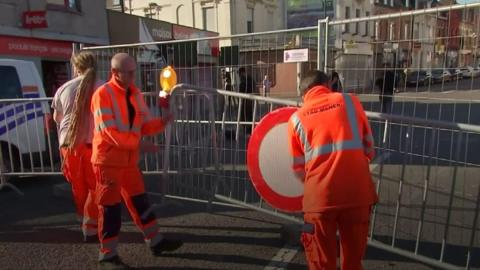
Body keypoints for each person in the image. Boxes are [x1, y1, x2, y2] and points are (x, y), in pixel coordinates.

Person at [91, 53, 182, 269]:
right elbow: (109, 133)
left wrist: (162, 122)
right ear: (114, 73)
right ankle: (108, 255)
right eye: (129, 72)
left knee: (140, 202)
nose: (134, 76)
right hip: (108, 162)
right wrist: (139, 145)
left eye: (135, 71)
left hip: (129, 161)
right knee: (110, 209)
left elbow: (143, 126)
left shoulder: (135, 93)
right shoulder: (102, 94)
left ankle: (155, 241)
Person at [287, 70, 378, 270]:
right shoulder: (350, 101)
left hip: (320, 200)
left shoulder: (296, 119)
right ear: (328, 85)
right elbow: (369, 150)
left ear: (303, 95)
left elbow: (299, 169)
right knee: (353, 263)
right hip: (357, 195)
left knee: (321, 264)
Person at [52, 51, 99, 242]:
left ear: (75, 68)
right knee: (96, 185)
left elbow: (57, 118)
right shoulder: (103, 87)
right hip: (92, 143)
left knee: (78, 186)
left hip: (69, 143)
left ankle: (83, 219)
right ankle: (92, 223)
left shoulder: (63, 88)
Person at [238, 67, 255, 134]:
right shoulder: (249, 78)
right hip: (249, 99)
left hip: (245, 100)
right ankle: (249, 129)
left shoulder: (244, 79)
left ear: (242, 72)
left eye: (239, 73)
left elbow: (242, 89)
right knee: (249, 115)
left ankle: (248, 129)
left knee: (243, 115)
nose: (239, 75)